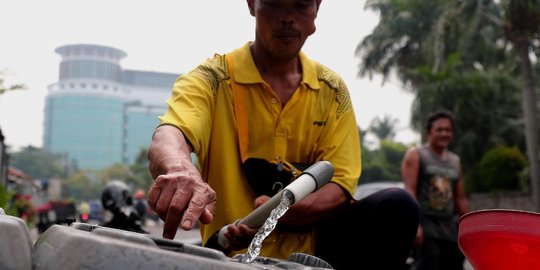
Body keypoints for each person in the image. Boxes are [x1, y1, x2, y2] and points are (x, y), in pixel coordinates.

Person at [147, 0, 419, 268]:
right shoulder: (213, 79)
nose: (288, 18)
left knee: (397, 205)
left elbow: (340, 184)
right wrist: (181, 169)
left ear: (317, 9)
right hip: (230, 257)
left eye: (301, 5)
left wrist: (277, 212)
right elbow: (170, 134)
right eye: (275, 4)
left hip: (314, 258)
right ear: (252, 4)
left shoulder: (332, 91)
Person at [401, 110, 470, 270]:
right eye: (439, 129)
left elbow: (460, 198)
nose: (444, 133)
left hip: (450, 229)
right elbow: (409, 192)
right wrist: (415, 225)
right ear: (429, 133)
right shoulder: (416, 155)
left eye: (448, 130)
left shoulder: (455, 160)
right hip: (427, 227)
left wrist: (470, 226)